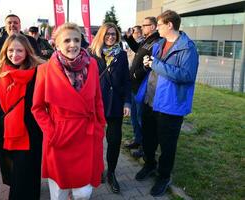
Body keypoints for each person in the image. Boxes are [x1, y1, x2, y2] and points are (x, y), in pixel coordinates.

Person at [32, 23, 106, 200]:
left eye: (76, 40)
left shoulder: (93, 65)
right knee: (59, 192)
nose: (72, 44)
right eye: (67, 40)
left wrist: (100, 126)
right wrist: (52, 133)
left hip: (87, 135)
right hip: (60, 137)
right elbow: (38, 107)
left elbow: (97, 99)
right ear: (56, 44)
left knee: (83, 193)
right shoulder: (44, 70)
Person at [135, 10, 199, 197]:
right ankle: (149, 165)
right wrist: (149, 63)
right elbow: (156, 68)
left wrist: (155, 64)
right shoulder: (160, 43)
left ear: (169, 25)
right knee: (148, 139)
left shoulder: (188, 48)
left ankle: (163, 177)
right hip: (150, 100)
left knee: (167, 145)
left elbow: (187, 76)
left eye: (160, 25)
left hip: (170, 106)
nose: (157, 28)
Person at [0, 33, 44, 200]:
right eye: (11, 50)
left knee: (27, 178)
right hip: (6, 134)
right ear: (5, 51)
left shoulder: (39, 72)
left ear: (27, 52)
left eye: (20, 50)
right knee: (14, 176)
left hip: (32, 134)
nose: (14, 54)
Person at [89, 22, 131, 193]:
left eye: (114, 34)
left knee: (114, 141)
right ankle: (98, 169)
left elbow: (126, 81)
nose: (111, 37)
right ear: (101, 35)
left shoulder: (121, 55)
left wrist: (128, 102)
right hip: (96, 104)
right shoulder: (92, 54)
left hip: (116, 104)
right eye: (107, 34)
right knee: (95, 140)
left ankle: (111, 173)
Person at [123, 17, 161, 159]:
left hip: (141, 86)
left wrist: (135, 75)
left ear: (152, 26)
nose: (142, 28)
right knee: (134, 116)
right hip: (134, 85)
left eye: (145, 25)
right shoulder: (147, 40)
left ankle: (145, 148)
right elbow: (138, 51)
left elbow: (148, 64)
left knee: (141, 118)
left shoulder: (156, 41)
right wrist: (128, 38)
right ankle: (137, 140)